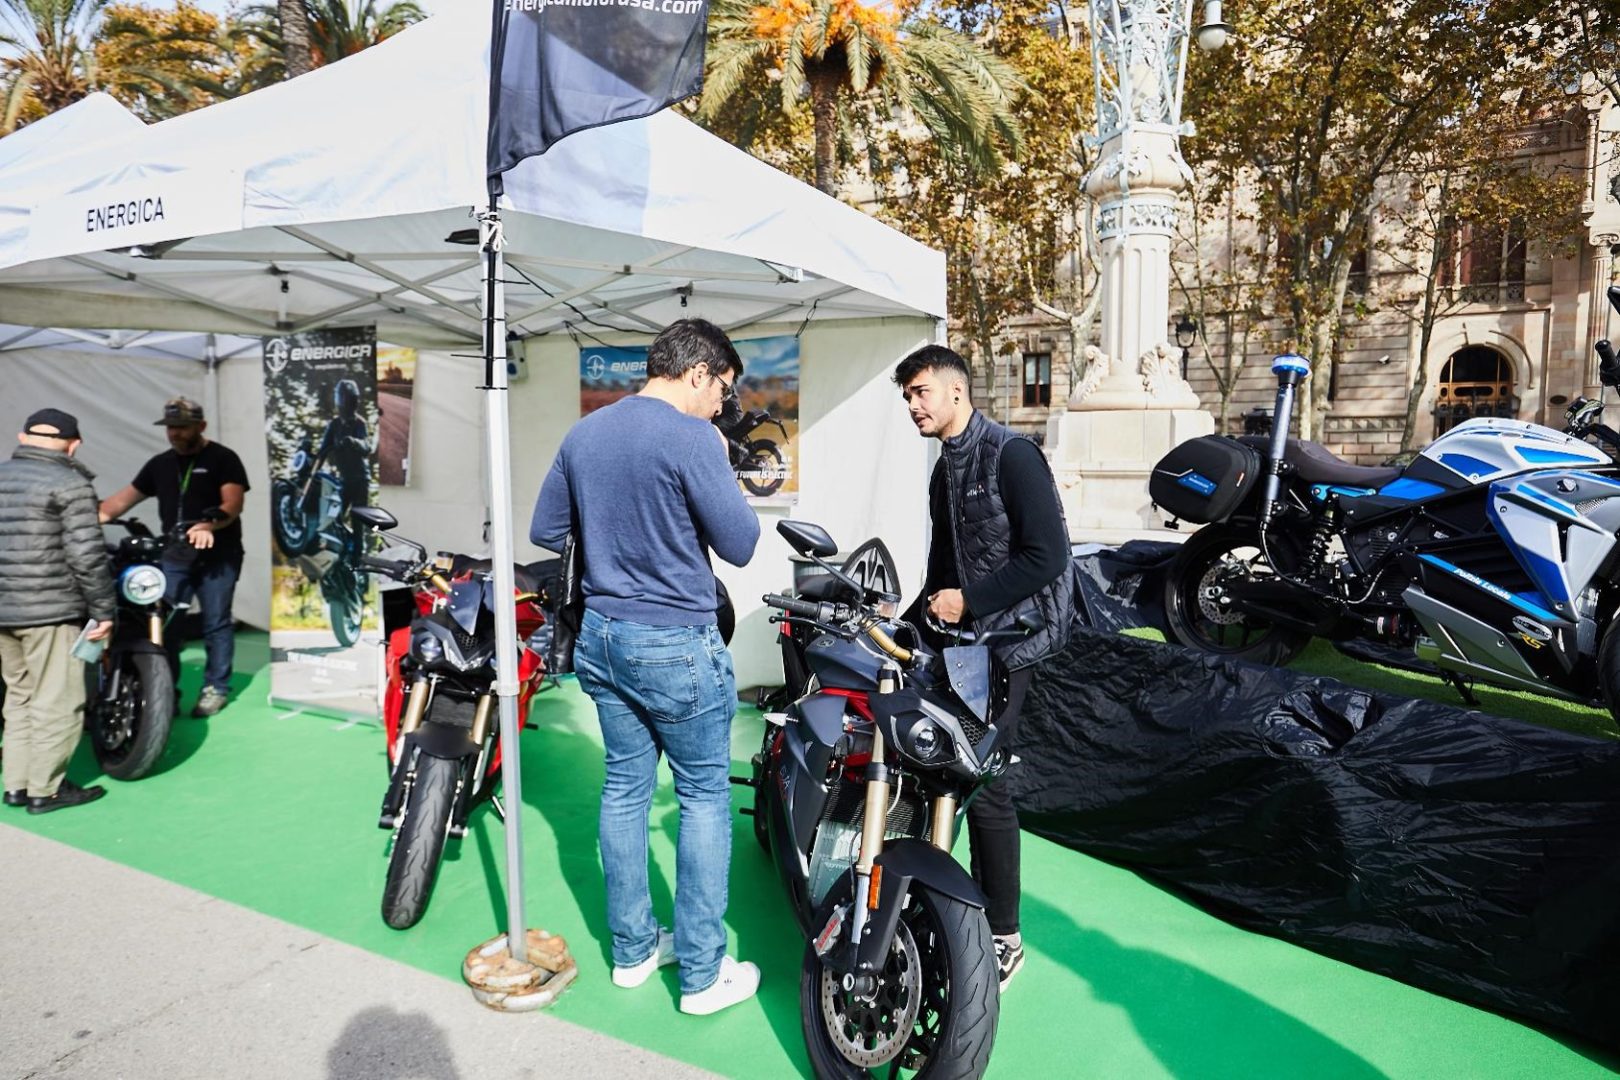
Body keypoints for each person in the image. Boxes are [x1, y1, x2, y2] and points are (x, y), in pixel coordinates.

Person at [531, 318, 762, 1016]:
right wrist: (714, 461)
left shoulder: (586, 431)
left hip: (601, 636)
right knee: (702, 798)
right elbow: (743, 543)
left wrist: (618, 528)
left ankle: (633, 953)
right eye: (721, 390)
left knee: (626, 791)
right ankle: (700, 974)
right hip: (673, 642)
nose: (721, 405)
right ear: (697, 373)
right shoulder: (694, 437)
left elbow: (546, 530)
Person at [894, 344, 1075, 990]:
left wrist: (970, 601)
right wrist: (902, 620)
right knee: (933, 762)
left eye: (920, 393)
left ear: (955, 392)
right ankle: (926, 902)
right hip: (971, 642)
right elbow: (943, 569)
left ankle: (1004, 937)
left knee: (987, 783)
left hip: (1018, 640)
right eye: (907, 397)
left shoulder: (1014, 454)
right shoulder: (944, 470)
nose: (913, 406)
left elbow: (1049, 556)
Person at [99, 398, 250, 718]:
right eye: (170, 428)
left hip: (218, 555)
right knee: (163, 622)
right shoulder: (159, 464)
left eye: (182, 427)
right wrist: (86, 515)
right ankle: (165, 687)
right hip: (174, 557)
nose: (175, 434)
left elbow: (233, 504)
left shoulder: (224, 458)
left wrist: (210, 523)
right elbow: (117, 504)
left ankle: (216, 688)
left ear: (201, 426)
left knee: (216, 622)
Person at [0, 408, 115, 813]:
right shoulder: (70, 483)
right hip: (50, 612)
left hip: (3, 612)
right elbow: (86, 556)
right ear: (74, 443)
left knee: (19, 697)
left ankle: (15, 785)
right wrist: (104, 612)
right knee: (58, 701)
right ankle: (45, 790)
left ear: (23, 437)